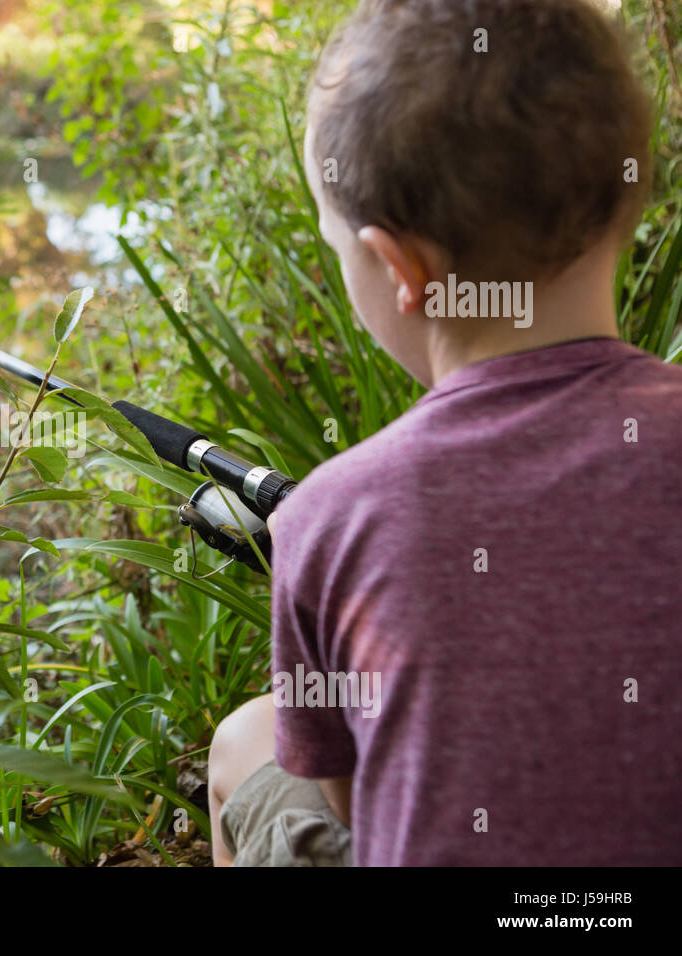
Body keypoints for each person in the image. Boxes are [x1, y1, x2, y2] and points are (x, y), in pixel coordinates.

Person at [210, 0, 682, 866]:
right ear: (628, 197)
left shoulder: (328, 519)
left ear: (399, 269)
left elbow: (360, 805)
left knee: (243, 748)